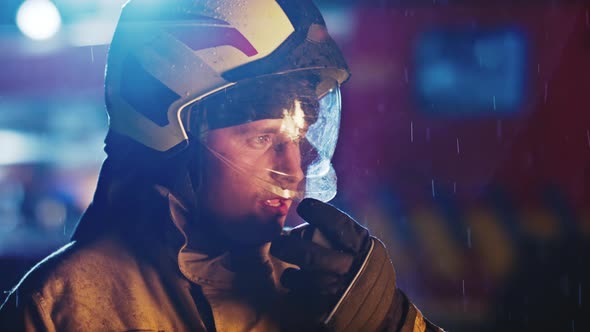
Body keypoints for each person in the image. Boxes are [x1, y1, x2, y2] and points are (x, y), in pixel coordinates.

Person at [0, 0, 443, 331]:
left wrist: (390, 321)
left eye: (300, 137)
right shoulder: (62, 308)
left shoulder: (321, 290)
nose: (294, 169)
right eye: (262, 138)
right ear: (171, 139)